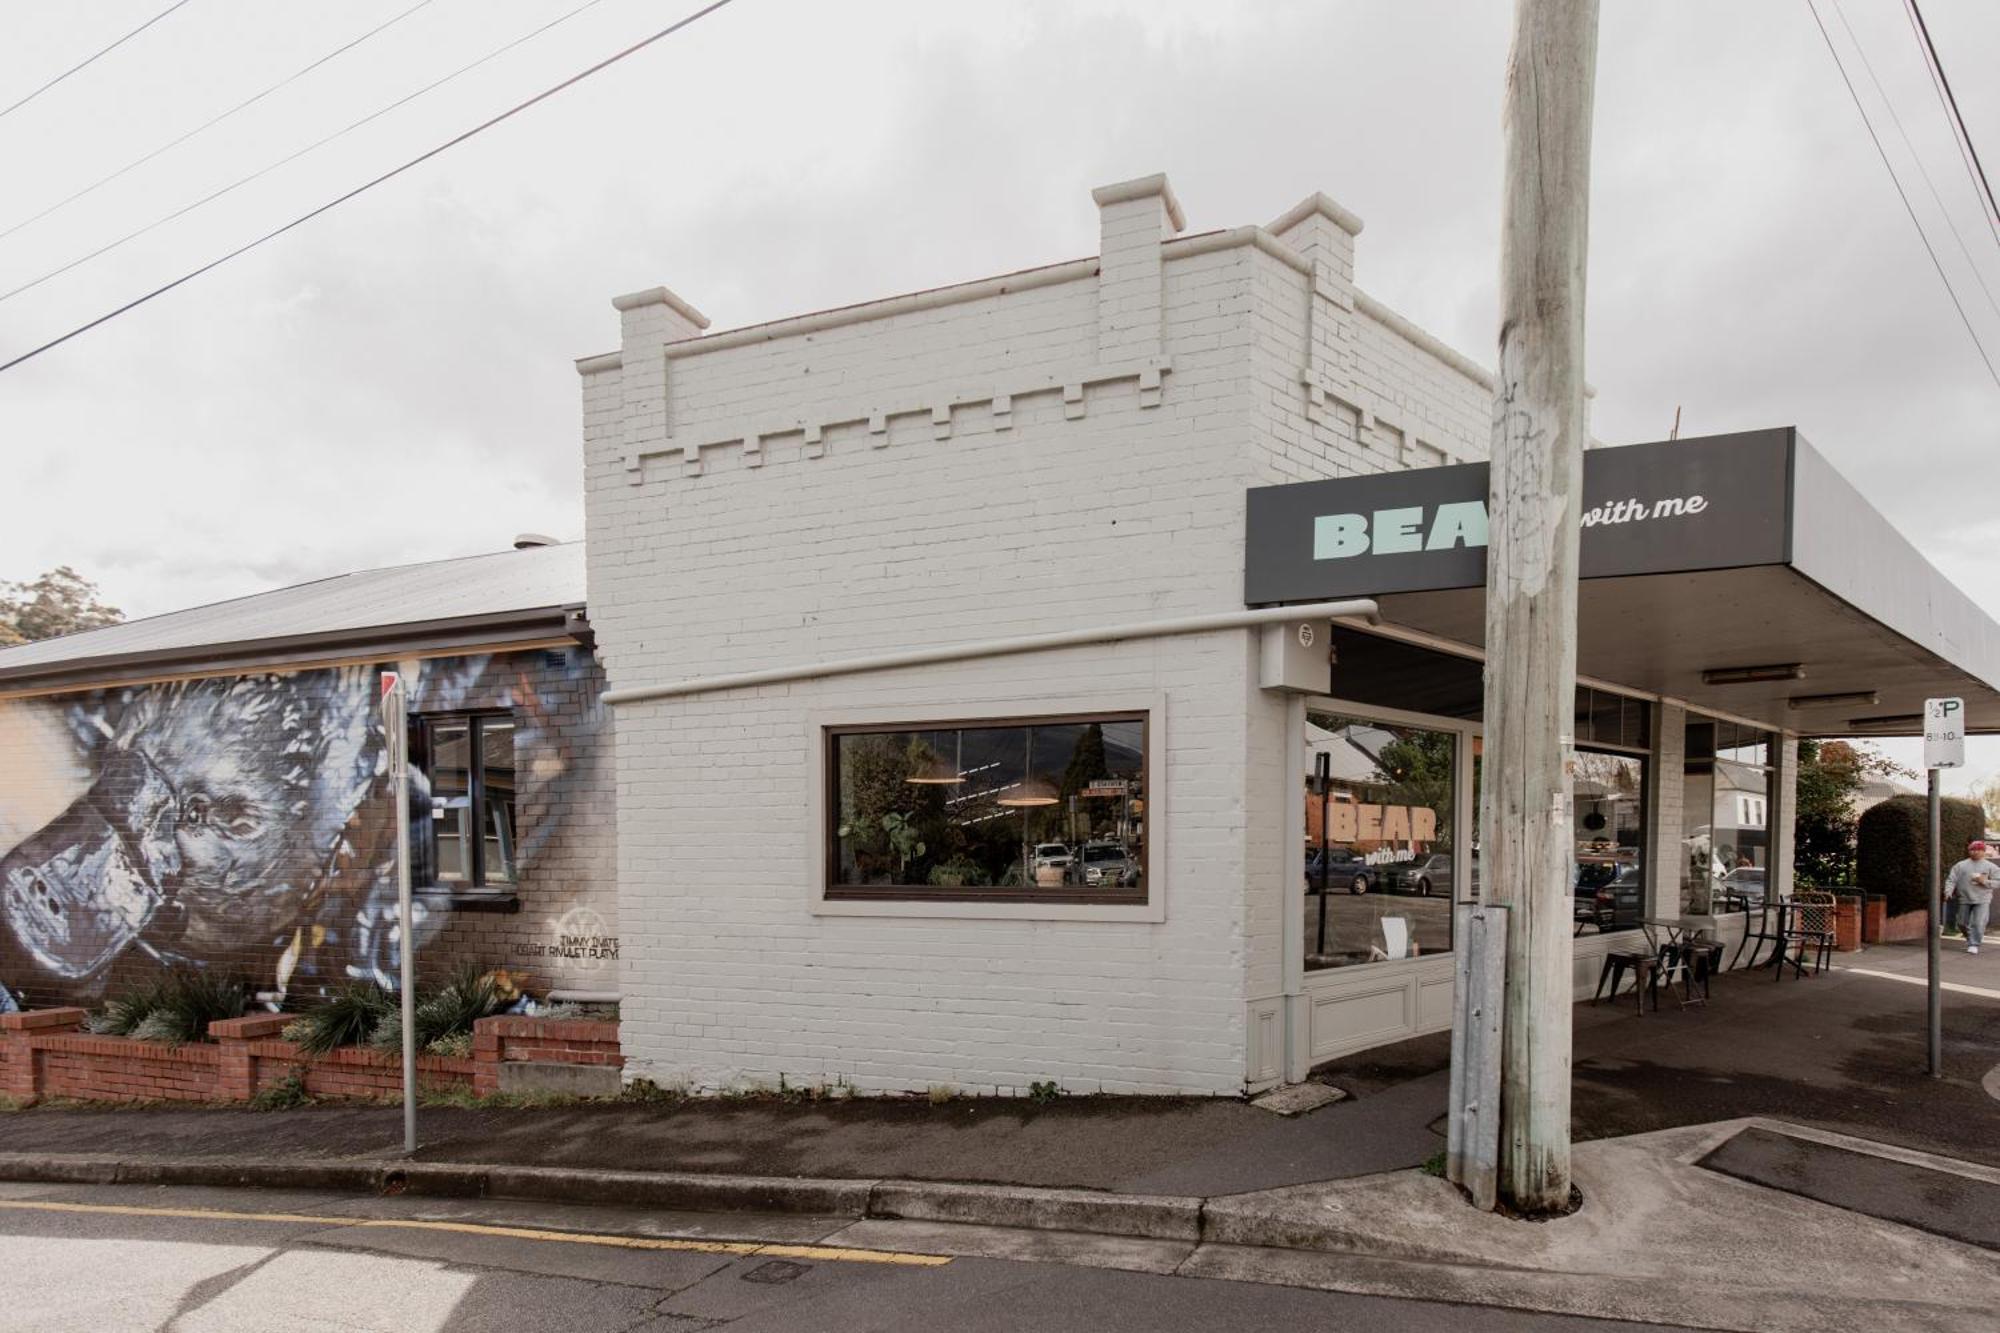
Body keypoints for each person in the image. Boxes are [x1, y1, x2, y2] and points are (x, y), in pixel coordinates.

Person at [1944, 841, 1995, 954]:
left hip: (1983, 899)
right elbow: (1951, 879)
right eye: (1972, 849)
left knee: (1978, 922)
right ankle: (1970, 939)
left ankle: (1974, 944)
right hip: (1964, 898)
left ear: (1983, 851)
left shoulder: (1990, 866)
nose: (1975, 852)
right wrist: (1948, 891)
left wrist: (1985, 882)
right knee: (1961, 923)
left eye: (1978, 849)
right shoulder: (1961, 865)